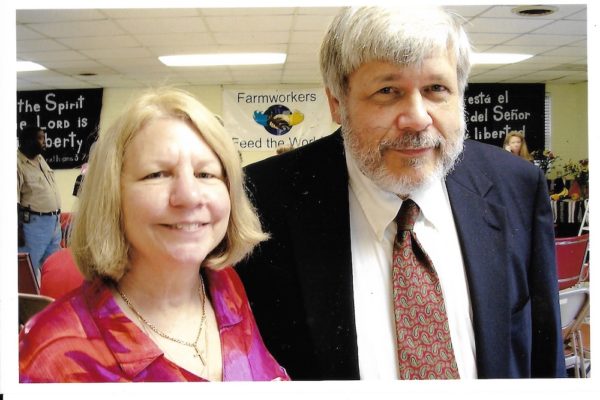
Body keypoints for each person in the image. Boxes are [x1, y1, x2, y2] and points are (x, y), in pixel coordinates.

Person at [236, 6, 564, 380]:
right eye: (387, 91)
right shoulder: (263, 199)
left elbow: (544, 353)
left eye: (436, 89)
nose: (417, 118)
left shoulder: (515, 186)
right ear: (336, 103)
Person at [19, 88, 289, 383]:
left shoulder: (226, 286)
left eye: (206, 174)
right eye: (157, 174)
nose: (189, 196)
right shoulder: (50, 354)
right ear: (111, 197)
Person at [17, 125, 62, 279]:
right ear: (28, 141)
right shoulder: (16, 164)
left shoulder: (40, 159)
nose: (44, 142)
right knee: (27, 272)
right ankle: (26, 303)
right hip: (33, 226)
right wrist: (16, 230)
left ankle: (52, 302)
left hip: (54, 223)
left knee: (54, 269)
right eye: (40, 138)